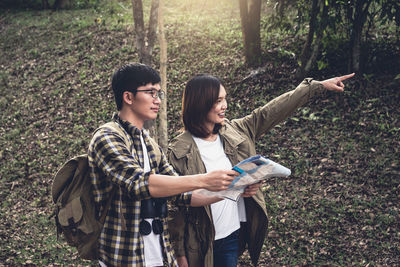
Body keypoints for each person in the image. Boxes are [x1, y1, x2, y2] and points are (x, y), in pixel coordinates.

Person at [167, 73, 355, 267]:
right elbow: (175, 206)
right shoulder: (178, 151)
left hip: (231, 236)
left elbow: (273, 111)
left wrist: (317, 86)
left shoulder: (236, 130)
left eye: (225, 98)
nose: (225, 105)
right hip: (197, 244)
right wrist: (180, 255)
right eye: (218, 101)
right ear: (200, 103)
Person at [87, 63, 238, 267]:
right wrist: (203, 179)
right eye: (151, 92)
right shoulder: (107, 137)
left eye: (159, 93)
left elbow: (181, 193)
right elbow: (139, 183)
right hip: (124, 258)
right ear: (128, 97)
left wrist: (233, 188)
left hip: (161, 255)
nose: (157, 100)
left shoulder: (149, 143)